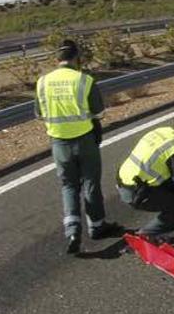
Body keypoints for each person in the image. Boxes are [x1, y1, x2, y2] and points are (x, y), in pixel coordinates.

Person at [35, 40, 123, 254]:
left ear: (56, 59)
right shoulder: (84, 80)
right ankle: (97, 226)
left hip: (59, 142)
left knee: (68, 186)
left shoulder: (43, 82)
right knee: (90, 183)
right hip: (84, 139)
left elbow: (39, 114)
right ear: (77, 57)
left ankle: (73, 231)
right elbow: (99, 113)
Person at [117, 111, 174, 237]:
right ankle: (145, 235)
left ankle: (171, 222)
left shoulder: (161, 131)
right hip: (135, 192)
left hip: (125, 180)